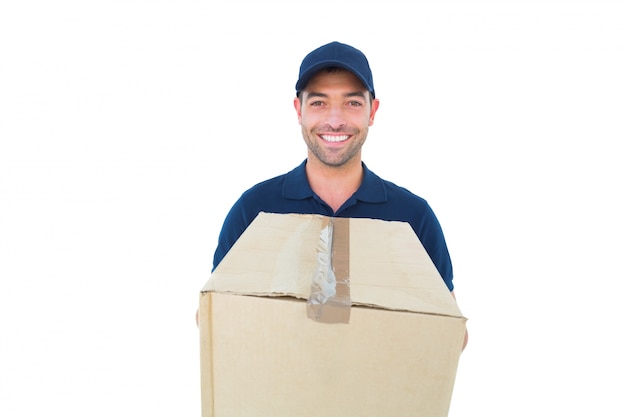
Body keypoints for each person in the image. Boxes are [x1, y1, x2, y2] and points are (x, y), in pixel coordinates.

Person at [211, 41, 467, 350]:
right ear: (299, 110)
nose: (335, 120)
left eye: (352, 103)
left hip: (380, 394)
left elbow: (453, 333)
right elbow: (211, 318)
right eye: (319, 102)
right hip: (278, 392)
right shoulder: (255, 210)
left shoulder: (412, 217)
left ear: (372, 112)